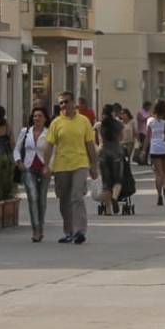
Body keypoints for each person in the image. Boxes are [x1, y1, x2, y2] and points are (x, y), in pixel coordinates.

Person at [45, 92, 98, 244]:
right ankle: (68, 231)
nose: (63, 105)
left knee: (77, 197)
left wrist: (94, 166)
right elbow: (49, 145)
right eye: (61, 103)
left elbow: (90, 144)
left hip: (80, 164)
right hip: (61, 166)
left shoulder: (84, 121)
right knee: (64, 200)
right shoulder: (56, 123)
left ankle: (80, 231)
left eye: (66, 102)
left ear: (74, 103)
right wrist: (46, 165)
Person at [14, 106, 53, 242]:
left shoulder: (49, 133)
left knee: (41, 199)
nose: (37, 118)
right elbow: (16, 149)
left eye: (40, 116)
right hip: (28, 168)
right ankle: (35, 229)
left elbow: (54, 151)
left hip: (44, 168)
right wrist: (19, 161)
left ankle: (41, 227)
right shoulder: (25, 132)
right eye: (35, 116)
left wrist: (49, 166)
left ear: (45, 118)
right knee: (33, 196)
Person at [147, 98, 165, 204]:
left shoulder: (150, 121)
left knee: (158, 174)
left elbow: (148, 137)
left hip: (154, 148)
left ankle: (159, 195)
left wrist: (144, 150)